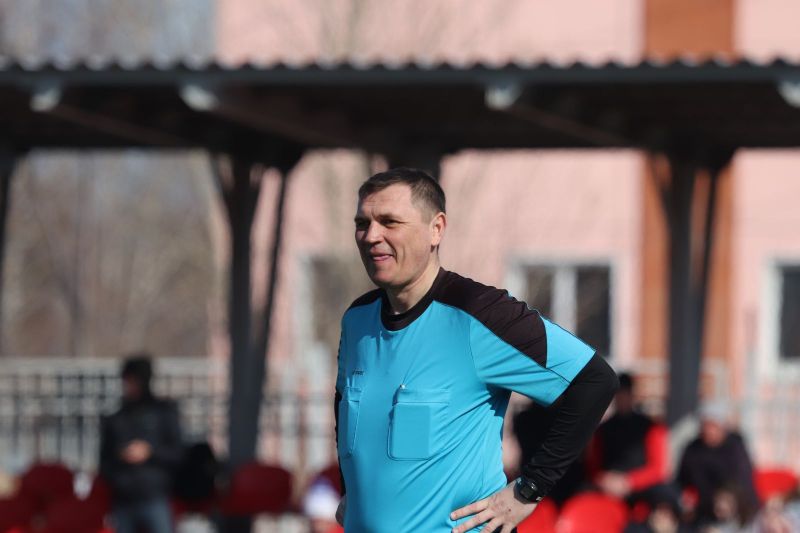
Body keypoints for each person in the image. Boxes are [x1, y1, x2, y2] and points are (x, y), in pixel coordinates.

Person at [334, 167, 619, 532]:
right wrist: (352, 487)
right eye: (362, 223)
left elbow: (595, 381)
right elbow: (346, 406)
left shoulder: (480, 314)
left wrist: (529, 489)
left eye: (389, 222)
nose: (372, 236)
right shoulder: (357, 319)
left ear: (436, 229)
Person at [99, 354, 183, 533]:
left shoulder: (163, 413)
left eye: (134, 381)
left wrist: (149, 452)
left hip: (155, 496)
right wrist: (121, 458)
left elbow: (177, 452)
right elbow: (104, 462)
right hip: (123, 498)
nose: (129, 386)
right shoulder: (116, 418)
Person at [588, 373, 671, 502]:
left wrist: (629, 482)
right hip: (607, 486)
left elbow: (658, 470)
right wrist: (605, 480)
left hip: (641, 489)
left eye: (625, 394)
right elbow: (593, 466)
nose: (621, 399)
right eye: (618, 395)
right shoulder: (603, 430)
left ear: (632, 395)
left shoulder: (651, 428)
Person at [676, 401, 758, 528]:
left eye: (713, 425)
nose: (708, 430)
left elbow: (743, 483)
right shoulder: (693, 449)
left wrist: (727, 499)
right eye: (705, 425)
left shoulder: (735, 447)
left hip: (734, 513)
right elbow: (681, 481)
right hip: (701, 512)